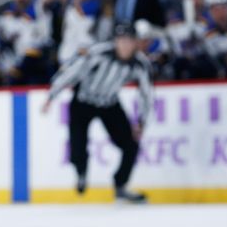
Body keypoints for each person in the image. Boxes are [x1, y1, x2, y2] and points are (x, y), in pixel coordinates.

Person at [42, 23, 153, 203]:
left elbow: (146, 93)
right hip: (83, 101)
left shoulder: (140, 63)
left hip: (109, 103)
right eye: (121, 40)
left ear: (135, 43)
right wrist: (52, 94)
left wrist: (141, 121)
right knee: (77, 142)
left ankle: (121, 185)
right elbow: (74, 71)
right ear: (115, 41)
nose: (124, 45)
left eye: (128, 41)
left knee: (131, 144)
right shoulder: (100, 53)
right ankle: (81, 173)